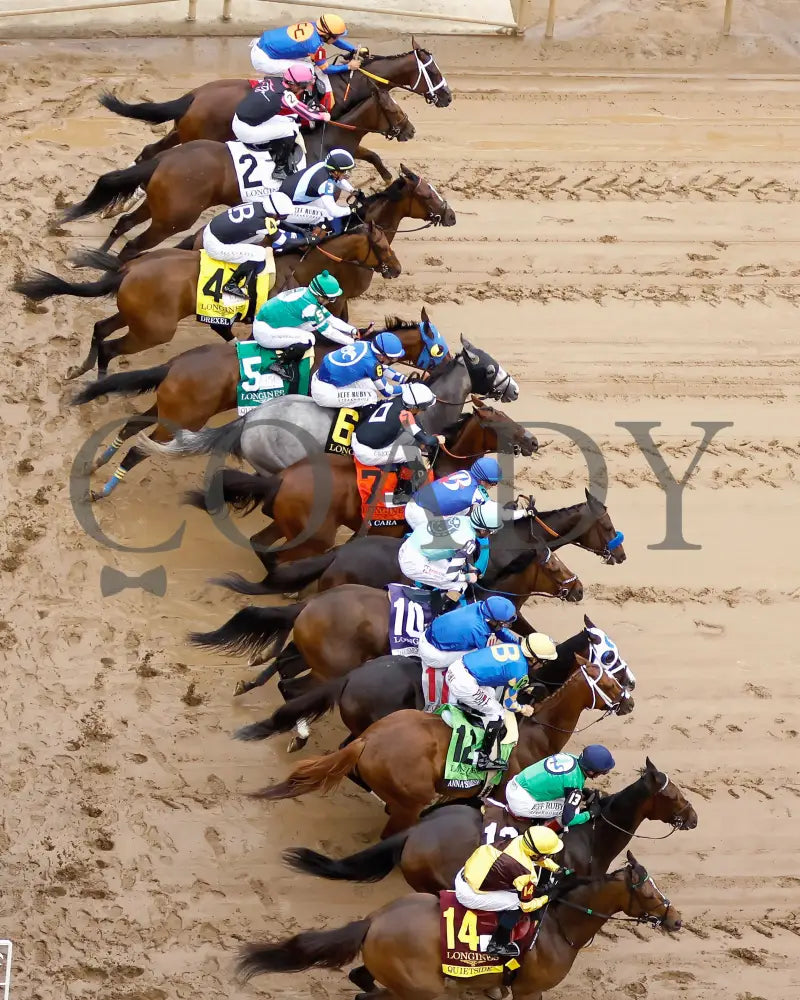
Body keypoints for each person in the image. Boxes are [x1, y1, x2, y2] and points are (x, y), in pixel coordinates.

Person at [445, 633, 559, 772]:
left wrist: (522, 687)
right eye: (543, 661)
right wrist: (523, 709)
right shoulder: (520, 671)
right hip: (465, 683)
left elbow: (503, 673)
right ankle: (483, 759)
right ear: (533, 658)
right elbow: (509, 704)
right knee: (497, 713)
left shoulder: (515, 648)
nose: (542, 665)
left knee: (491, 694)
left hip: (457, 669)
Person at [454, 826, 564, 959]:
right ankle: (498, 944)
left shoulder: (519, 840)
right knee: (517, 903)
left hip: (464, 874)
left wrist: (556, 868)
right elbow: (526, 906)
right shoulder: (527, 874)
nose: (547, 856)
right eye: (546, 854)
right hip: (469, 894)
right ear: (535, 853)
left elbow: (537, 858)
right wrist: (548, 897)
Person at [416, 595, 519, 711]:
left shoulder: (481, 607)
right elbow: (483, 659)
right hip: (433, 655)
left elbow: (498, 629)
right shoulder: (478, 629)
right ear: (493, 620)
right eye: (504, 623)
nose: (505, 625)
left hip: (427, 637)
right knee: (480, 659)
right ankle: (464, 701)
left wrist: (518, 641)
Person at [251, 270, 359, 380]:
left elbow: (330, 319)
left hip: (267, 322)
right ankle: (279, 364)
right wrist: (352, 343)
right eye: (330, 298)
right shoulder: (310, 307)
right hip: (265, 332)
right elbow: (328, 332)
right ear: (320, 296)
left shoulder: (307, 293)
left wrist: (352, 330)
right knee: (309, 339)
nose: (331, 301)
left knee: (311, 326)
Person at [397, 500, 504, 607]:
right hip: (412, 561)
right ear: (482, 530)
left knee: (453, 570)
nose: (489, 535)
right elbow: (451, 576)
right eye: (490, 531)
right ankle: (432, 611)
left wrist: (469, 567)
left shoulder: (464, 519)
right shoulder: (469, 542)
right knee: (460, 585)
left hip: (410, 545)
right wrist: (468, 577)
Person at [351, 382, 444, 504]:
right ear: (414, 407)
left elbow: (414, 425)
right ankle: (402, 494)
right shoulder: (404, 416)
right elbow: (425, 440)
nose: (423, 411)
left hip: (358, 437)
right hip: (367, 453)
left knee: (407, 438)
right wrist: (438, 439)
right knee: (414, 452)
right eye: (423, 408)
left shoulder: (397, 400)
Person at [249, 14, 363, 112]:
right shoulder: (314, 45)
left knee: (308, 61)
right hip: (264, 59)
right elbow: (325, 69)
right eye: (337, 36)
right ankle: (309, 104)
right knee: (309, 69)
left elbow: (334, 40)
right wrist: (348, 66)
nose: (338, 38)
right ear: (328, 35)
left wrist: (353, 50)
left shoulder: (315, 26)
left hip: (264, 45)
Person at [232, 64, 328, 175]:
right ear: (295, 86)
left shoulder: (273, 81)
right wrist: (322, 116)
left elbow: (297, 105)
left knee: (292, 119)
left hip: (240, 120)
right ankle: (280, 168)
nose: (303, 90)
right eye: (303, 87)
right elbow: (308, 115)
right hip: (245, 131)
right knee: (291, 130)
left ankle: (276, 145)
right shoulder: (285, 96)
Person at [200, 192, 296, 301]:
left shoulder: (258, 205)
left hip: (211, 228)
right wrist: (307, 240)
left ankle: (245, 260)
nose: (283, 218)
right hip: (214, 245)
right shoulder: (261, 224)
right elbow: (284, 241)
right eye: (283, 216)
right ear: (274, 213)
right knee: (260, 253)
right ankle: (231, 284)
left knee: (260, 236)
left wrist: (301, 230)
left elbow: (278, 223)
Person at [504, 746, 616, 832]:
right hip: (520, 803)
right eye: (602, 772)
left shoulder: (570, 757)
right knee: (574, 811)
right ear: (591, 771)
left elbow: (562, 781)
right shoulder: (573, 783)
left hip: (515, 783)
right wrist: (590, 813)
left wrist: (582, 791)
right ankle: (539, 837)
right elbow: (568, 819)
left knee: (566, 801)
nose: (602, 774)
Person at [310, 332, 407, 409]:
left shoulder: (365, 344)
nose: (393, 360)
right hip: (326, 393)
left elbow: (381, 368)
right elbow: (387, 392)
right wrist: (408, 387)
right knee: (371, 396)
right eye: (392, 358)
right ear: (381, 356)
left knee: (370, 384)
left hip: (325, 381)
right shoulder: (371, 364)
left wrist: (404, 379)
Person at [278, 149, 357, 238]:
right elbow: (334, 211)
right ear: (335, 171)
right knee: (326, 216)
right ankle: (308, 242)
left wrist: (352, 190)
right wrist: (351, 209)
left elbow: (337, 180)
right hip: (286, 209)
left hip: (288, 197)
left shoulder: (324, 166)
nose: (347, 174)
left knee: (324, 206)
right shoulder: (324, 183)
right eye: (345, 171)